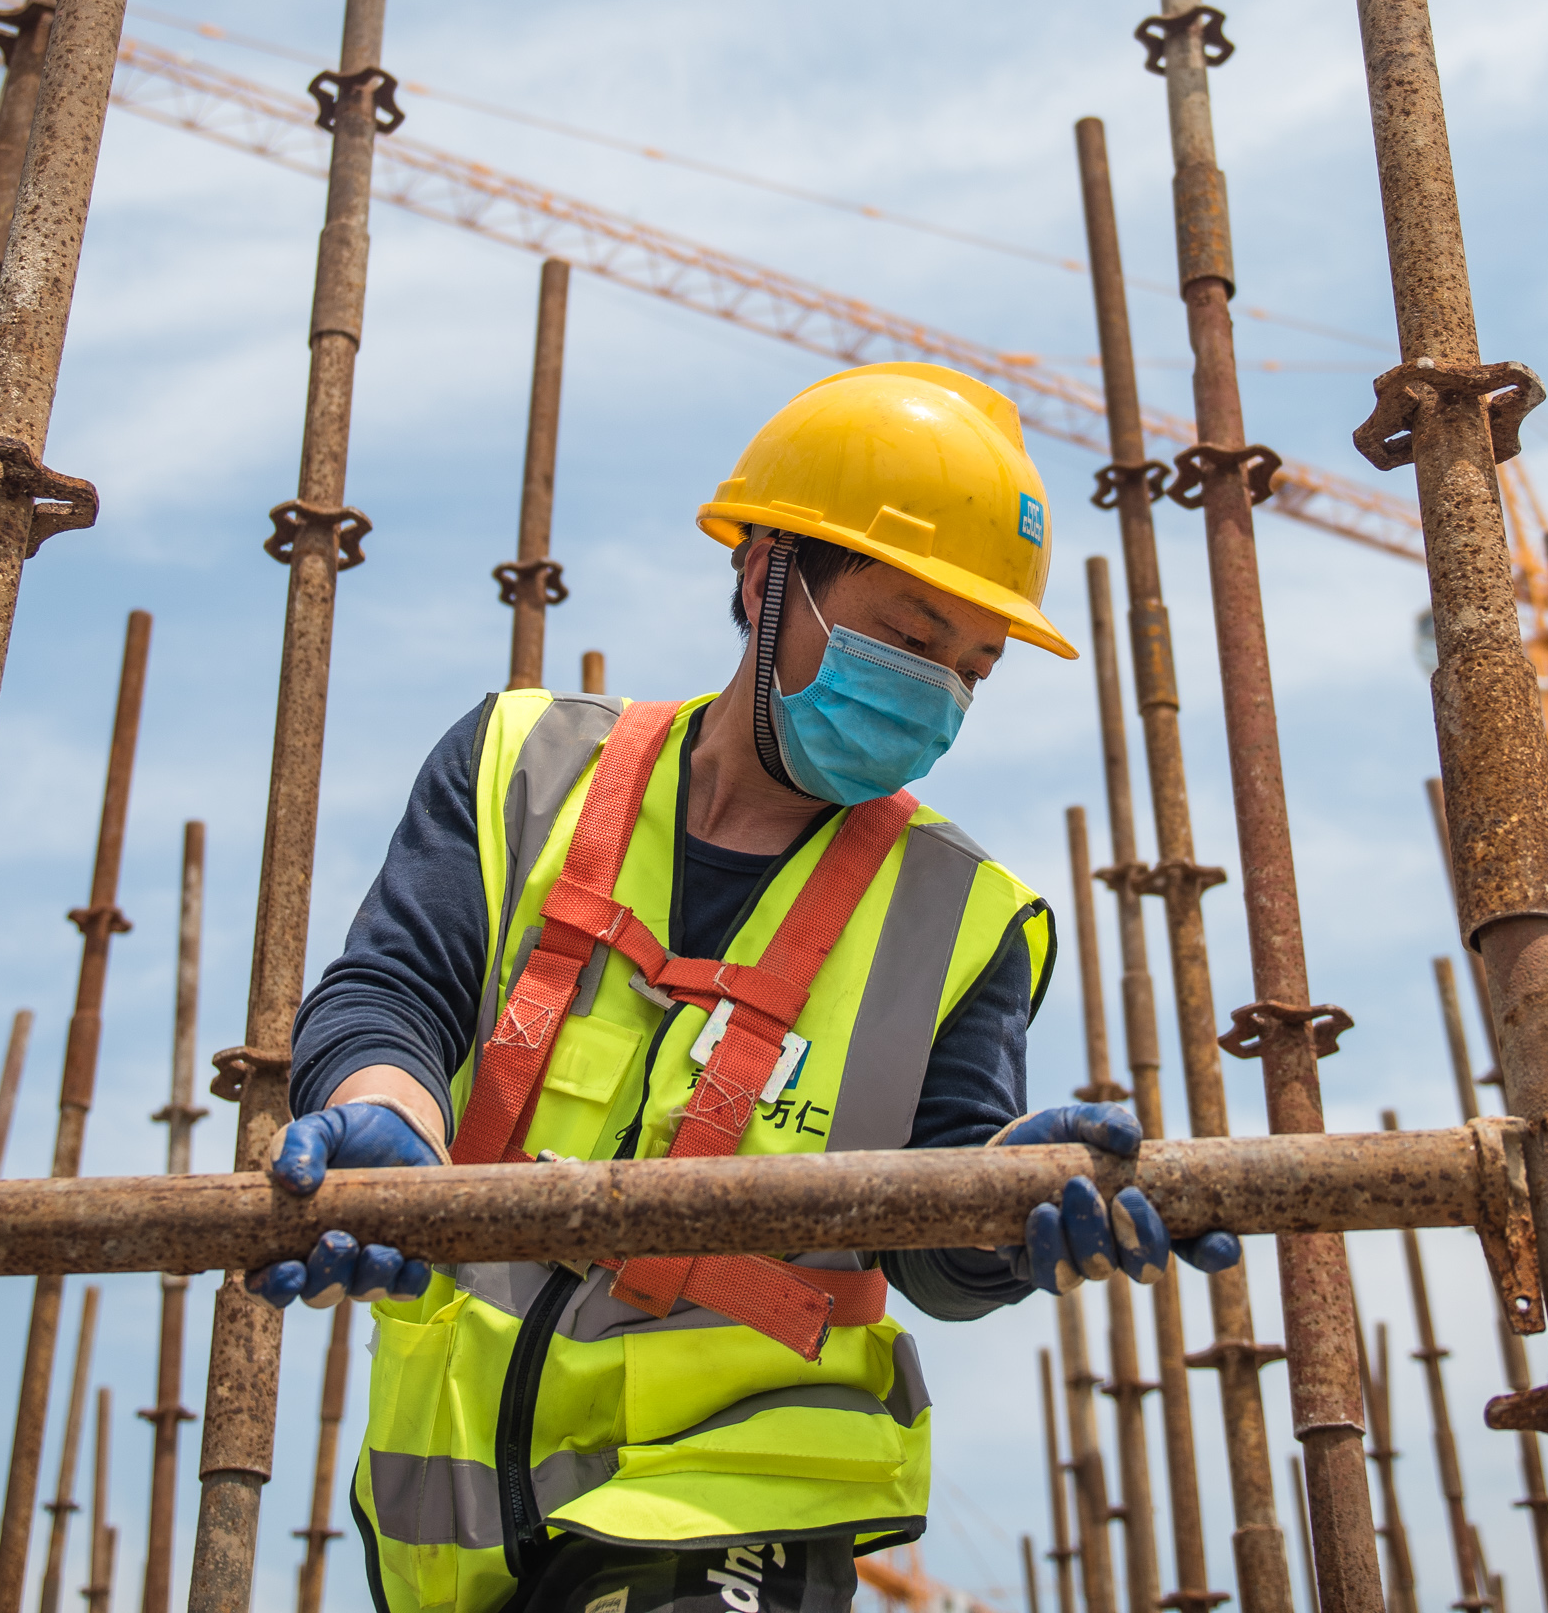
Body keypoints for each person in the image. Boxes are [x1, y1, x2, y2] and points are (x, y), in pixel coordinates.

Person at [251, 361, 1242, 1613]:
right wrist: (386, 1110)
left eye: (972, 666)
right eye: (904, 632)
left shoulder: (960, 917)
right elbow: (397, 985)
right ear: (764, 568)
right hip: (448, 1524)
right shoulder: (523, 763)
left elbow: (932, 1252)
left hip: (748, 1492)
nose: (933, 690)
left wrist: (1009, 1206)